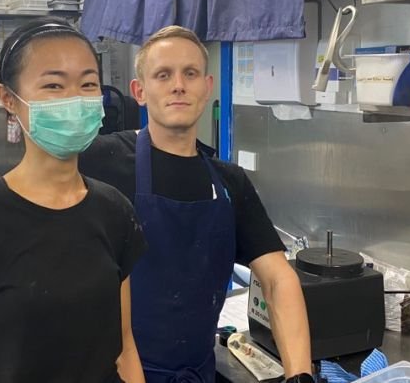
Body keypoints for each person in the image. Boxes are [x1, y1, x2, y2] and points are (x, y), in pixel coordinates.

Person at [80, 26, 313, 383]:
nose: (178, 85)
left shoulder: (228, 182)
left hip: (197, 373)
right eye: (163, 75)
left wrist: (299, 375)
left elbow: (278, 279)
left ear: (207, 87)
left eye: (190, 74)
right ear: (139, 91)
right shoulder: (99, 161)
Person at [0, 18, 147, 383]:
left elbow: (123, 348)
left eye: (88, 84)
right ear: (8, 99)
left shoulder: (115, 211)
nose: (75, 99)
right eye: (54, 85)